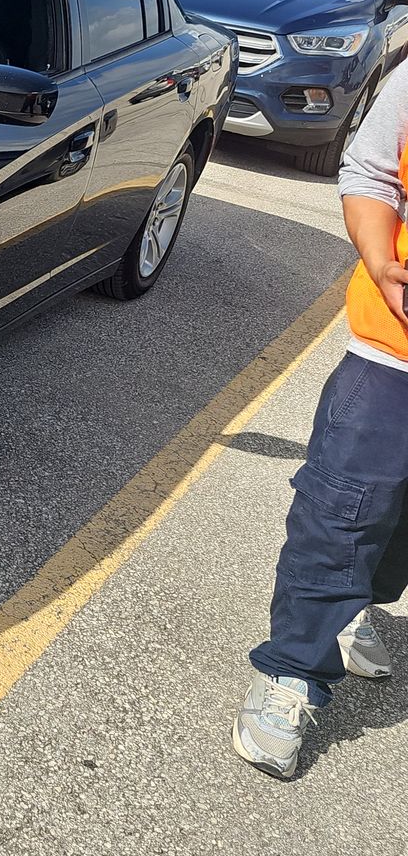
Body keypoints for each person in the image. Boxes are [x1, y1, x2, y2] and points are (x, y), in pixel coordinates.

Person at [235, 67, 408, 778]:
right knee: (343, 510)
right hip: (395, 353)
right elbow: (370, 171)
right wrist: (379, 258)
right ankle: (293, 669)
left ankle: (357, 605)